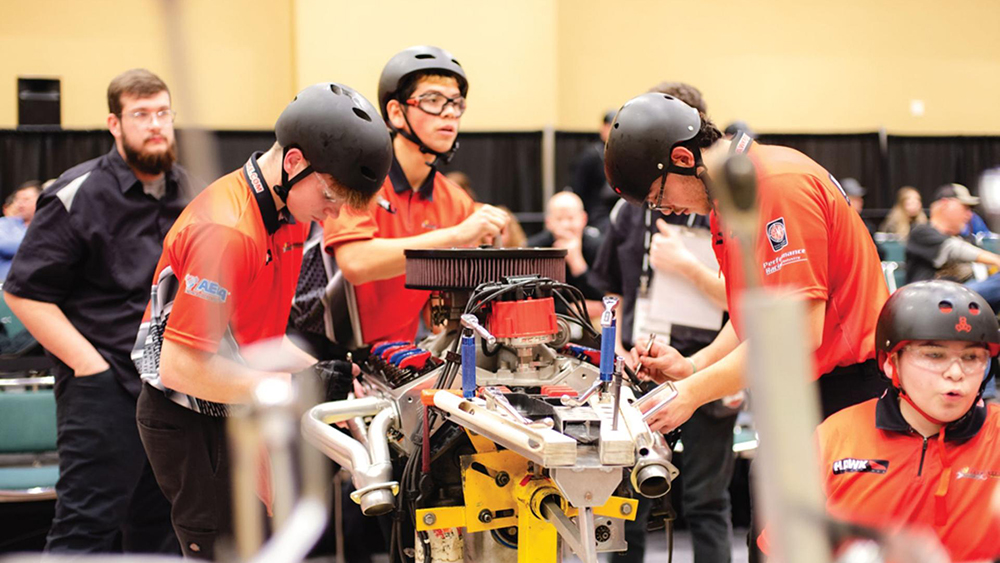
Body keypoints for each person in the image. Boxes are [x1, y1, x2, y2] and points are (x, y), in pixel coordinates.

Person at [605, 93, 889, 561]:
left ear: (682, 158)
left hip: (849, 395)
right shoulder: (729, 199)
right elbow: (757, 318)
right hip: (805, 395)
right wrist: (692, 367)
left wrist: (694, 393)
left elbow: (793, 337)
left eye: (659, 196)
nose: (665, 211)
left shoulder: (775, 184)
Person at [131, 83, 392, 559]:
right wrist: (296, 391)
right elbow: (183, 368)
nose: (333, 215)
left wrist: (334, 373)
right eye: (331, 196)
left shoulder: (292, 214)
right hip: (189, 417)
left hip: (234, 402)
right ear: (294, 163)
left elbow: (260, 337)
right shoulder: (227, 231)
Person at [3, 69, 192, 555]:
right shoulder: (76, 192)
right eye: (141, 115)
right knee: (84, 532)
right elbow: (23, 292)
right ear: (115, 123)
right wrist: (91, 367)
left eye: (163, 113)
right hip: (101, 388)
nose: (155, 125)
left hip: (172, 389)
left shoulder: (190, 192)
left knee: (166, 531)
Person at [592, 82, 737, 563]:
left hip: (713, 368)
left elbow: (752, 302)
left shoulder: (725, 206)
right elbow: (608, 290)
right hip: (641, 366)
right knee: (627, 500)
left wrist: (687, 268)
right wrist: (611, 349)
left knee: (706, 499)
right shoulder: (628, 211)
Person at [323, 45, 509, 346]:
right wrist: (458, 234)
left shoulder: (455, 201)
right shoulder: (358, 181)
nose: (449, 112)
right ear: (396, 112)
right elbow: (356, 263)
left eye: (456, 103)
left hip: (401, 355)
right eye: (433, 100)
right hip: (328, 352)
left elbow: (438, 310)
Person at [813, 280, 1000, 562]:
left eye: (972, 357)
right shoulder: (834, 436)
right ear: (891, 362)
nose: (955, 372)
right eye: (934, 355)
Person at [905, 183, 1000, 309]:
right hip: (934, 304)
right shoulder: (921, 233)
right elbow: (953, 248)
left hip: (971, 307)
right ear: (945, 204)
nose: (970, 215)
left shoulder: (968, 239)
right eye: (965, 208)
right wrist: (995, 259)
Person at [526, 191, 604, 315]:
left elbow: (605, 298)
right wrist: (568, 309)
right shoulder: (534, 248)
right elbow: (529, 299)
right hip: (549, 316)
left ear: (583, 219)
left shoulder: (599, 247)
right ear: (548, 222)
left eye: (570, 218)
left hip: (592, 318)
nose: (565, 225)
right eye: (559, 219)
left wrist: (577, 264)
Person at [570, 109, 618, 232]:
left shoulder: (622, 154)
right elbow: (579, 188)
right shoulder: (590, 155)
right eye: (610, 126)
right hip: (595, 217)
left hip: (617, 212)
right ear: (603, 128)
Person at [0, 180, 41, 279]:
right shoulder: (5, 223)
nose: (20, 204)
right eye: (17, 200)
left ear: (41, 200)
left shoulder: (49, 225)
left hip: (39, 287)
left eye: (26, 200)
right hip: (5, 285)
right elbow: (5, 244)